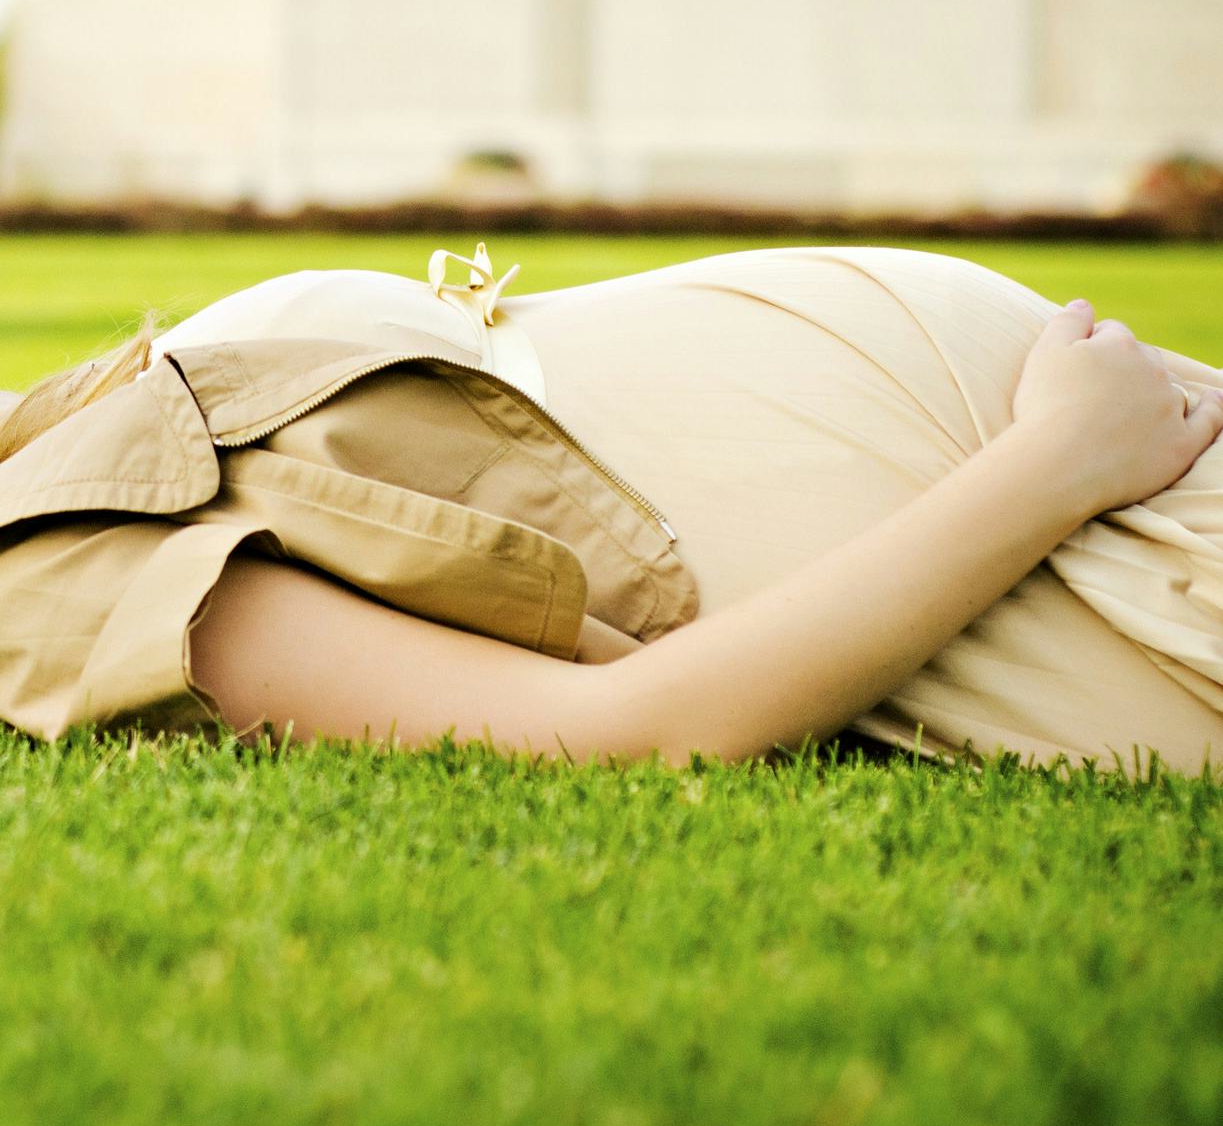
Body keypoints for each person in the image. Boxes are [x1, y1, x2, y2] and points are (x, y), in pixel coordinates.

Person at [1, 242, 1221, 775]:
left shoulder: (61, 422)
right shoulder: (36, 574)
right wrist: (1057, 457)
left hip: (1130, 452)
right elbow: (622, 735)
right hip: (1125, 565)